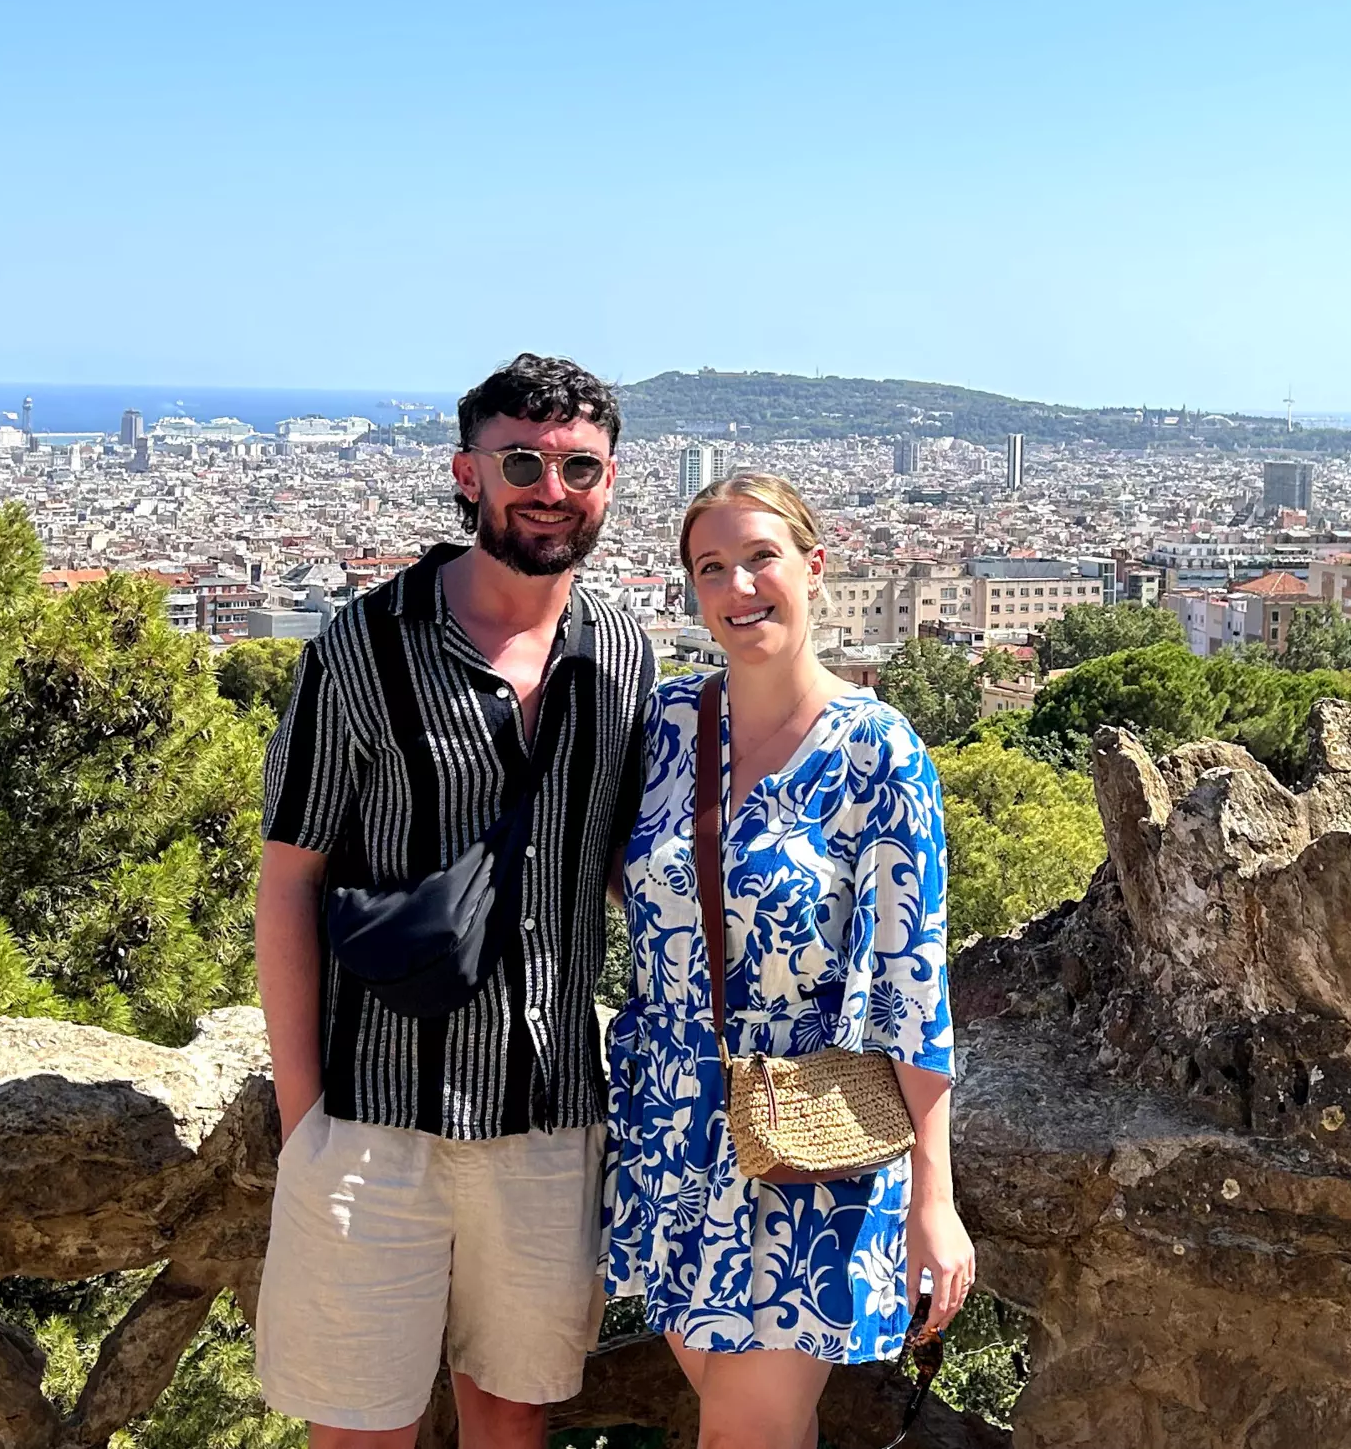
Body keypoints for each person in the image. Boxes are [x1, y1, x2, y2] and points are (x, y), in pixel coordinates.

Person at [255, 354, 652, 1448]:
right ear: (466, 474)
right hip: (372, 1111)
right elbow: (288, 877)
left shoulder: (622, 650)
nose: (550, 488)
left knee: (513, 1413)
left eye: (579, 467)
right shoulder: (361, 649)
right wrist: (304, 1119)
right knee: (359, 1426)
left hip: (547, 1116)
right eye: (521, 462)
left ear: (609, 482)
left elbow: (622, 861)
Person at [604, 473, 973, 1449]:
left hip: (807, 1139)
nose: (738, 586)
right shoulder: (665, 727)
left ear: (814, 567)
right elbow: (627, 882)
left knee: (745, 1432)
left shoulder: (878, 752)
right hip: (670, 1127)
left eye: (760, 557)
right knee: (760, 1428)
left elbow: (912, 987)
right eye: (710, 567)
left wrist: (934, 1198)